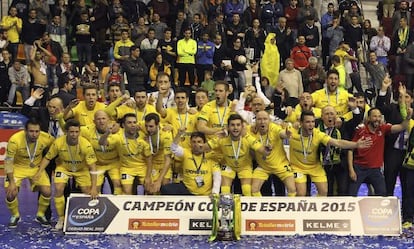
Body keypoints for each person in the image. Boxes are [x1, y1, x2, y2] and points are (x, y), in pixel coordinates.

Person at [289, 110, 372, 196]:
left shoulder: (318, 134)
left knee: (324, 192)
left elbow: (338, 143)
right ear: (301, 123)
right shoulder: (292, 132)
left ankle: (317, 209)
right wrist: (286, 132)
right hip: (298, 167)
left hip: (315, 167)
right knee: (301, 193)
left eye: (313, 122)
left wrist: (356, 144)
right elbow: (282, 133)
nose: (311, 125)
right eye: (307, 122)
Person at [34, 118, 98, 230]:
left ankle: (86, 218)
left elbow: (93, 167)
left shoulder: (86, 145)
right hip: (64, 168)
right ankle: (61, 218)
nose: (74, 134)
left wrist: (94, 187)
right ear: (66, 132)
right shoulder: (58, 143)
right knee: (58, 188)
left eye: (76, 132)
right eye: (71, 132)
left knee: (88, 192)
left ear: (79, 132)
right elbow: (47, 158)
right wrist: (39, 172)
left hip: (81, 170)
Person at [348, 105, 412, 197]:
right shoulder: (360, 131)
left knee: (382, 194)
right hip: (359, 168)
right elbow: (350, 149)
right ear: (369, 118)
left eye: (379, 116)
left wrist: (408, 117)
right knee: (351, 195)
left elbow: (401, 127)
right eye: (374, 116)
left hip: (375, 170)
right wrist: (351, 170)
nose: (377, 119)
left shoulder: (383, 128)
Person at [4, 118, 54, 228]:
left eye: (37, 131)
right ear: (25, 131)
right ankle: (15, 215)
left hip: (36, 168)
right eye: (31, 131)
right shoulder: (15, 140)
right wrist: (12, 182)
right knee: (11, 193)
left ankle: (40, 215)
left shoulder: (46, 137)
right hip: (18, 167)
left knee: (47, 191)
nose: (34, 134)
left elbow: (58, 145)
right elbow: (8, 162)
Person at [206, 114, 272, 196]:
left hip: (245, 167)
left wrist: (268, 149)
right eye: (232, 125)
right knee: (224, 190)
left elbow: (264, 152)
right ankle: (227, 207)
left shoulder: (247, 137)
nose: (235, 128)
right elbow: (203, 148)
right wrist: (216, 138)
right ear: (228, 127)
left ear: (242, 127)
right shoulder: (222, 138)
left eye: (238, 125)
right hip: (228, 165)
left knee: (247, 190)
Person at [100, 113, 152, 195]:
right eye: (129, 123)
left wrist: (148, 177)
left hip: (142, 167)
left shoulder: (143, 137)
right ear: (123, 125)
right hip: (127, 168)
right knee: (126, 191)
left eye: (134, 122)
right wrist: (106, 133)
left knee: (150, 189)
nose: (132, 125)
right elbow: (102, 143)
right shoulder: (118, 137)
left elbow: (149, 160)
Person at [250, 111, 296, 197]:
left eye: (265, 119)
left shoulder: (274, 128)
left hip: (281, 165)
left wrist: (286, 134)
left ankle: (289, 210)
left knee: (292, 189)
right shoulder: (252, 131)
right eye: (259, 119)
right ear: (255, 121)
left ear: (269, 121)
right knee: (254, 190)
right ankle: (261, 208)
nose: (262, 122)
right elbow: (242, 130)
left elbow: (281, 133)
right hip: (263, 167)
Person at [162, 131, 221, 195]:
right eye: (194, 142)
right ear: (190, 143)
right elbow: (173, 148)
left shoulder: (211, 156)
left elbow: (217, 175)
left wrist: (215, 193)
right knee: (165, 188)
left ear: (204, 143)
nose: (196, 144)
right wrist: (179, 133)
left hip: (205, 193)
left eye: (199, 142)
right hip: (187, 190)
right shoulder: (186, 153)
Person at [81, 110, 122, 195]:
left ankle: (117, 205)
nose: (101, 121)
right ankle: (99, 207)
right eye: (98, 119)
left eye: (104, 118)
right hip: (98, 164)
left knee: (118, 183)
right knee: (94, 188)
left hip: (113, 163)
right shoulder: (87, 130)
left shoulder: (117, 131)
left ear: (108, 120)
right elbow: (70, 130)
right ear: (94, 121)